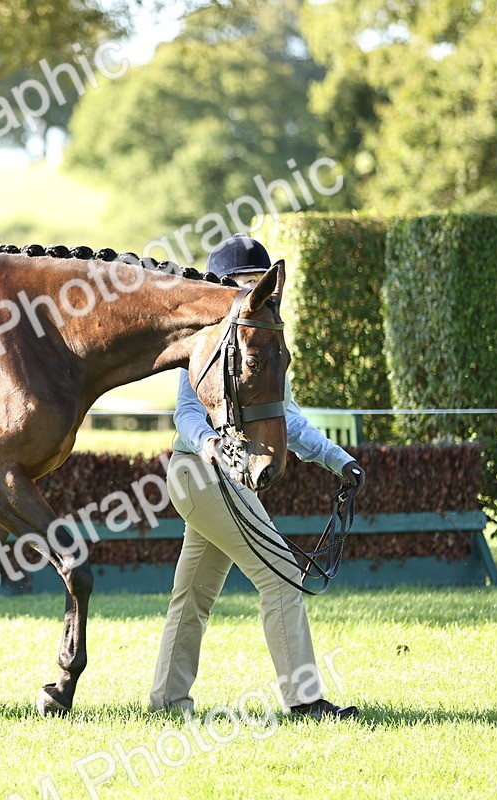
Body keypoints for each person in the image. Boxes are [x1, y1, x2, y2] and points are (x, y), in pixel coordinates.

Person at [150, 233, 365, 720]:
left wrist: (338, 459)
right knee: (283, 578)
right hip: (200, 472)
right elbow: (186, 414)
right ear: (223, 288)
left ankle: (167, 699)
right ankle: (305, 700)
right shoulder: (204, 343)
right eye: (243, 284)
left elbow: (287, 417)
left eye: (257, 283)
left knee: (192, 596)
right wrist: (210, 444)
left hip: (224, 481)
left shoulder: (262, 347)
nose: (252, 293)